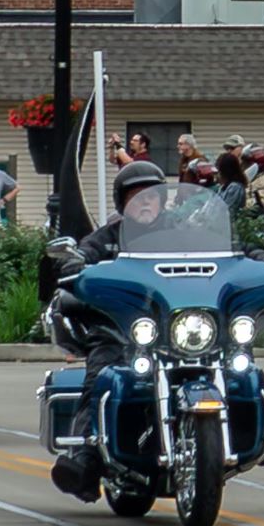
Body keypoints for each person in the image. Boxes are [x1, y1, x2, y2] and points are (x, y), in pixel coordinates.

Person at [54, 161, 170, 501]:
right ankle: (85, 460)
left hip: (174, 329)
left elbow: (228, 249)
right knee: (101, 374)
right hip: (119, 330)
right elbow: (80, 255)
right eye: (137, 197)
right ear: (123, 202)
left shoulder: (181, 231)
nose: (145, 203)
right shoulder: (108, 237)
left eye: (152, 196)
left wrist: (254, 255)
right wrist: (75, 263)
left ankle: (252, 431)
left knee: (233, 360)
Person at [212, 150, 248, 215]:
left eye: (219, 171)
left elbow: (227, 209)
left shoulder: (235, 187)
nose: (217, 175)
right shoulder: (222, 187)